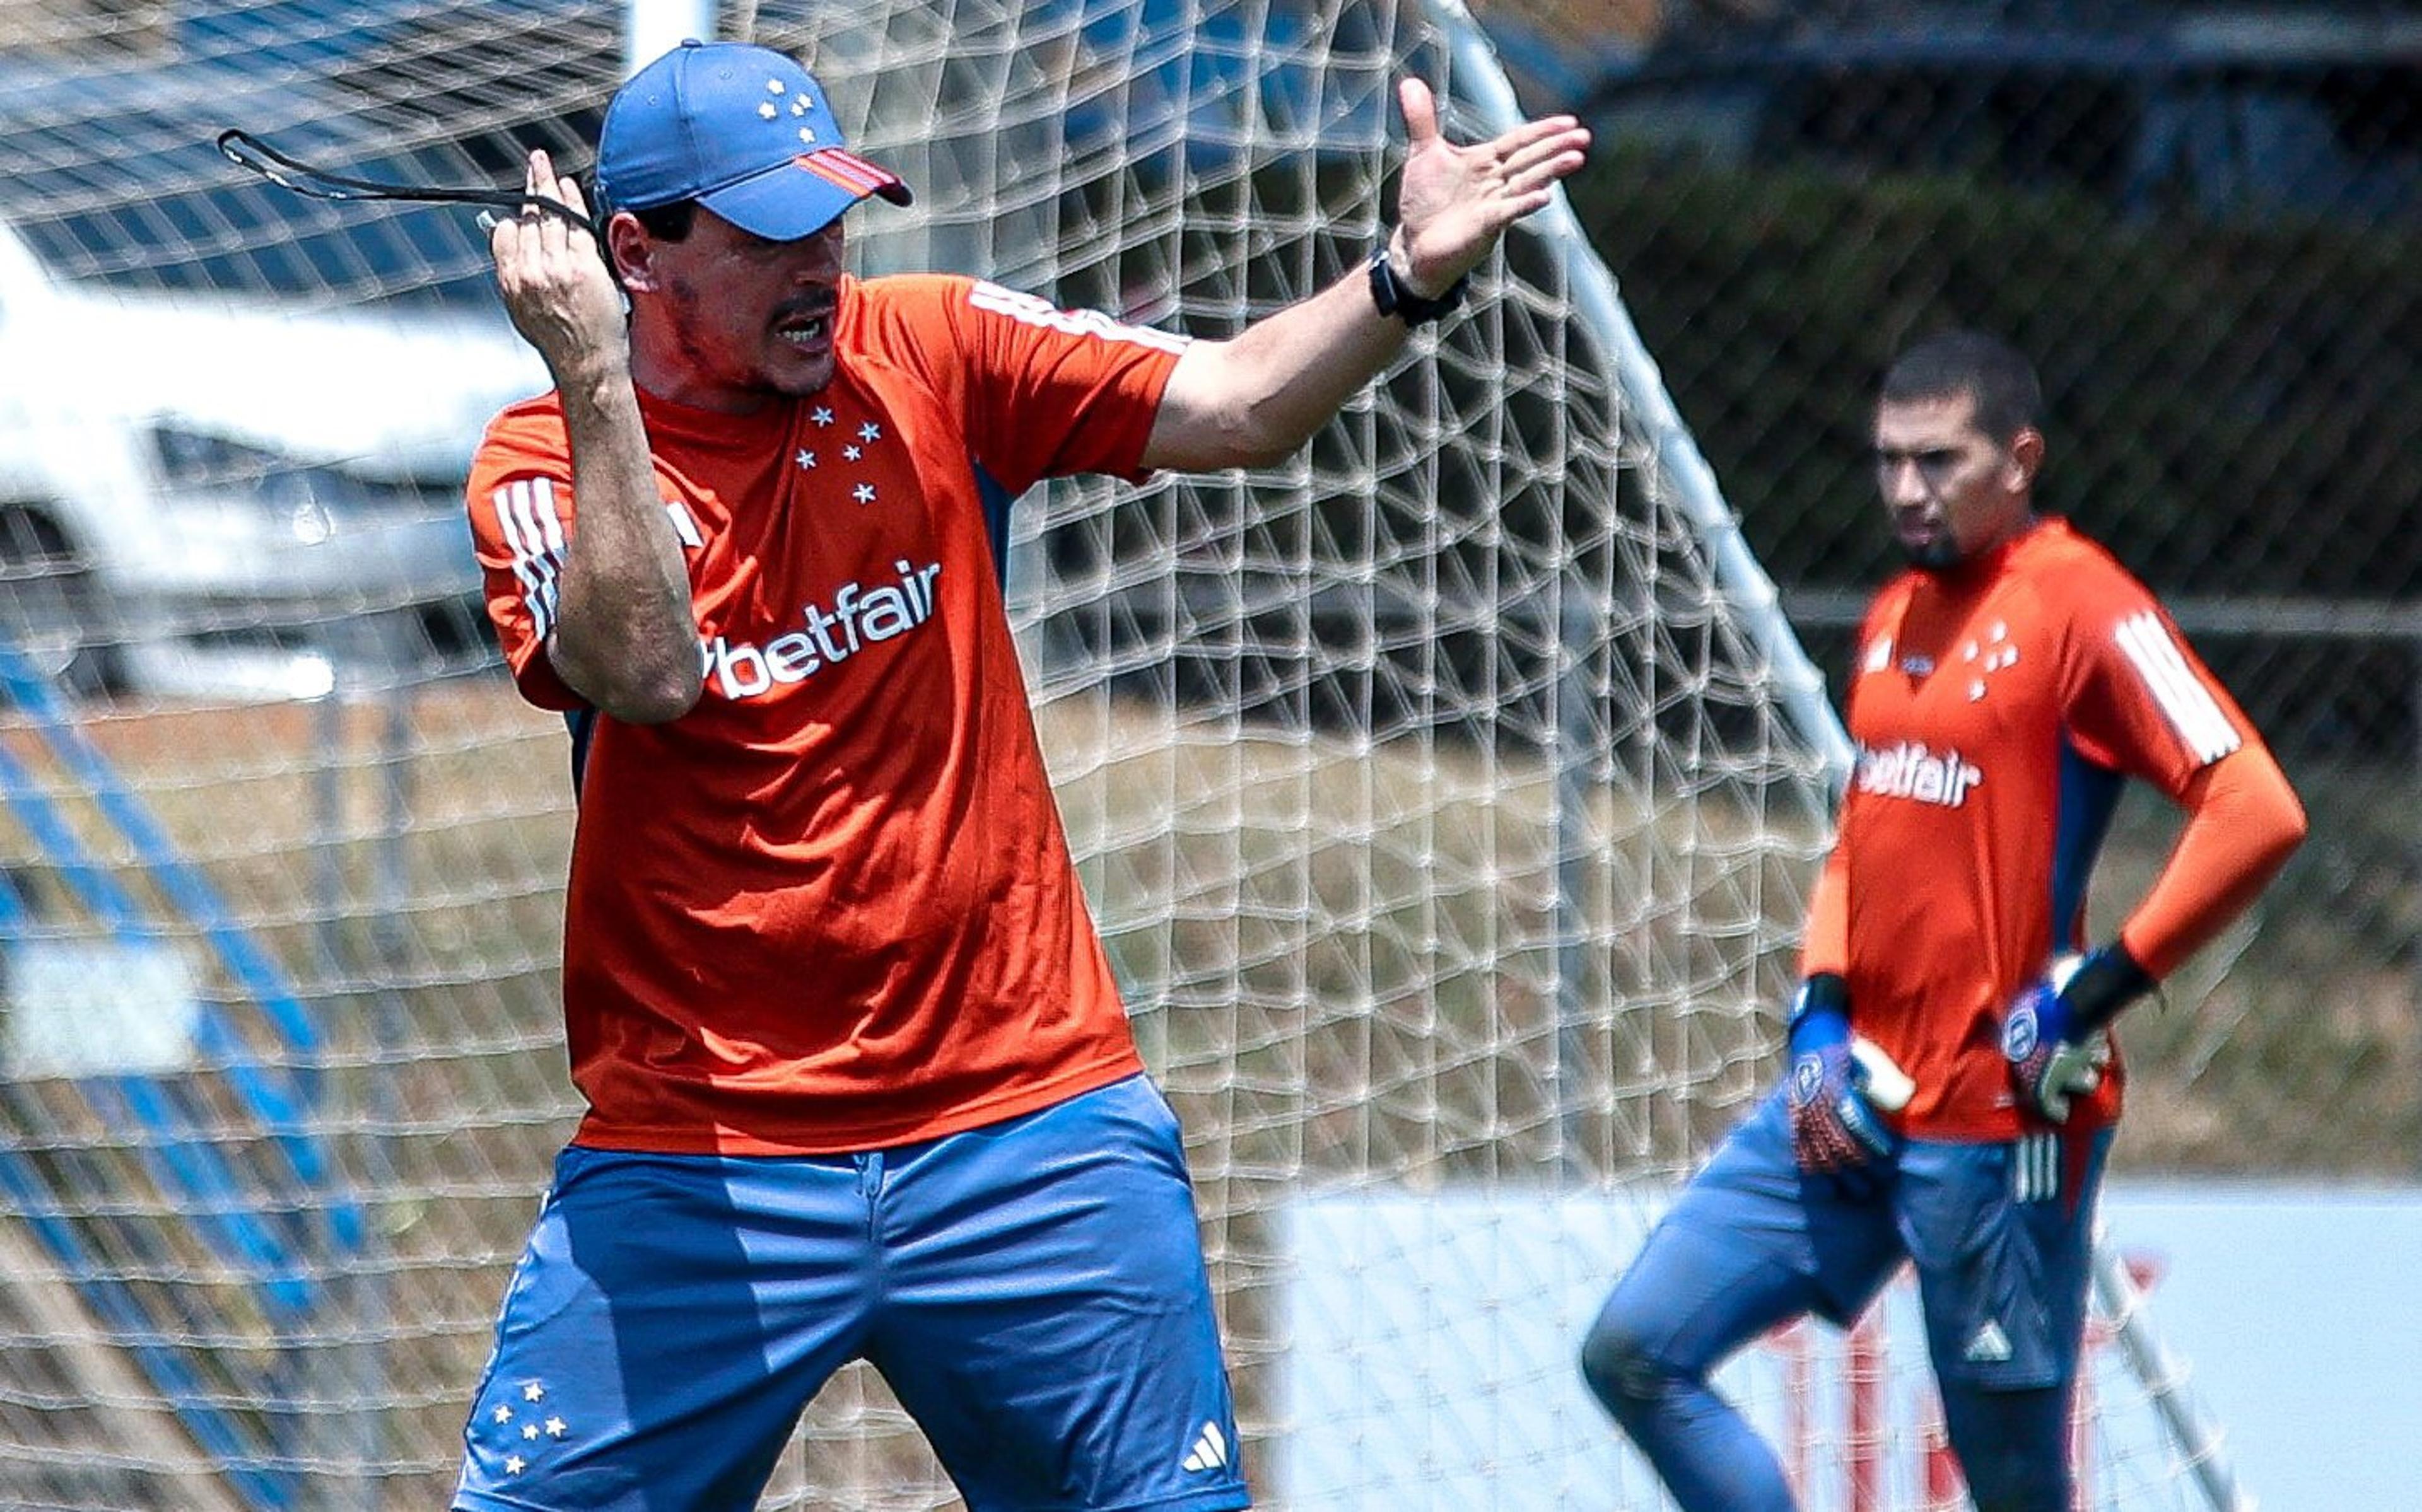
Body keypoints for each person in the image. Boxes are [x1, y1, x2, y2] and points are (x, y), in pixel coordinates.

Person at [452, 37, 1588, 1512]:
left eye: (835, 222)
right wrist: (596, 372)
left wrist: (1401, 275)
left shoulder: (931, 346)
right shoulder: (543, 452)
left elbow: (1239, 402)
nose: (822, 267)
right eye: (769, 235)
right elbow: (649, 668)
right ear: (633, 255)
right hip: (706, 1147)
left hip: (1026, 1120)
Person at [1578, 330, 2307, 1511]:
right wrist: (1815, 1023)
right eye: (1887, 461)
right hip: (1848, 1104)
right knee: (1633, 1350)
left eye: (1937, 460)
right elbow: (1861, 840)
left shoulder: (2085, 607)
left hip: (1999, 1127)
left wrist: (2092, 992)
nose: (1906, 490)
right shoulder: (1894, 614)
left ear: (2019, 459)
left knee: (2016, 1486)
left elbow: (2257, 806)